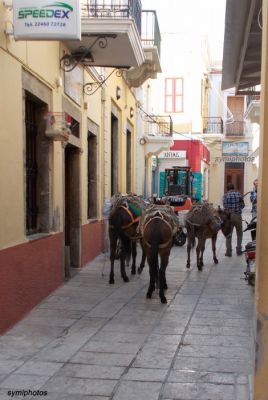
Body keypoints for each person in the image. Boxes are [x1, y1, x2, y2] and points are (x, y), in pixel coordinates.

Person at [223, 182, 245, 256]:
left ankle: (228, 252)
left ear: (227, 189)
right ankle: (239, 250)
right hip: (238, 215)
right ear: (233, 188)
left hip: (229, 217)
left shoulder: (225, 195)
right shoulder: (238, 194)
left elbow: (225, 207)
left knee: (229, 234)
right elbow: (243, 205)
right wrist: (238, 208)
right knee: (239, 233)